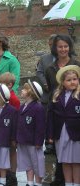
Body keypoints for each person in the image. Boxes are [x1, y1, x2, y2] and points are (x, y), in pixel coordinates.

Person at [44, 34, 80, 186]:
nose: (63, 49)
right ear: (55, 48)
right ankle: (61, 180)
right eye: (60, 46)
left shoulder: (76, 65)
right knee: (61, 154)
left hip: (73, 111)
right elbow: (51, 89)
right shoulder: (50, 68)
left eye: (66, 46)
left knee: (75, 157)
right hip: (57, 107)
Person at [17, 80, 46, 186]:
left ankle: (38, 183)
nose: (22, 90)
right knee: (27, 162)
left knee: (37, 163)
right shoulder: (22, 106)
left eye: (24, 89)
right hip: (24, 140)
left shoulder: (38, 108)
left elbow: (40, 127)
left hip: (34, 142)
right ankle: (29, 182)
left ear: (31, 92)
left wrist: (39, 141)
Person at [36, 34, 57, 156]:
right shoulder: (44, 59)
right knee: (45, 119)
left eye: (52, 45)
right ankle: (48, 144)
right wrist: (45, 84)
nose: (51, 47)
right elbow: (39, 73)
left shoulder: (65, 58)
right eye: (49, 45)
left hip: (59, 93)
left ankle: (56, 142)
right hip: (46, 94)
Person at [0, 72, 20, 185]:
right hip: (2, 131)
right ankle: (4, 172)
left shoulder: (14, 99)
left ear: (9, 85)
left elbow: (15, 119)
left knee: (12, 152)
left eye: (1, 84)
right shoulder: (0, 97)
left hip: (10, 131)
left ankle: (12, 173)